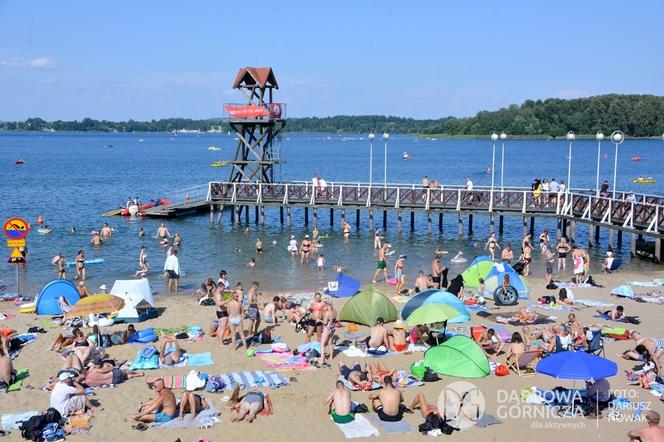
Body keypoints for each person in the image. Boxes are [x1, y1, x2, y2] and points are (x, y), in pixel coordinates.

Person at [317, 301, 337, 368]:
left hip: (327, 329)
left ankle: (322, 359)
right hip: (333, 329)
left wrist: (319, 320)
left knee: (322, 345)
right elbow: (333, 320)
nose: (324, 307)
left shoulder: (327, 312)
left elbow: (325, 323)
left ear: (328, 306)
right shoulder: (335, 311)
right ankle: (331, 357)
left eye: (325, 306)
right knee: (330, 343)